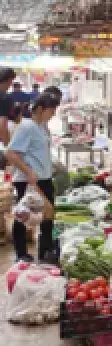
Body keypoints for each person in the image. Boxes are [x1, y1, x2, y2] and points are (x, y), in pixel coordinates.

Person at [7, 93, 60, 262]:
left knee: (47, 215)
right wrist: (28, 171)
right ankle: (21, 254)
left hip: (43, 178)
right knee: (23, 216)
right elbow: (11, 153)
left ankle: (45, 252)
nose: (53, 114)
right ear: (40, 109)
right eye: (52, 110)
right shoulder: (26, 127)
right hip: (29, 180)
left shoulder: (40, 126)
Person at [0, 67, 16, 145]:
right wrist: (7, 145)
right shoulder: (5, 97)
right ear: (9, 80)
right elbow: (2, 124)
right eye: (12, 81)